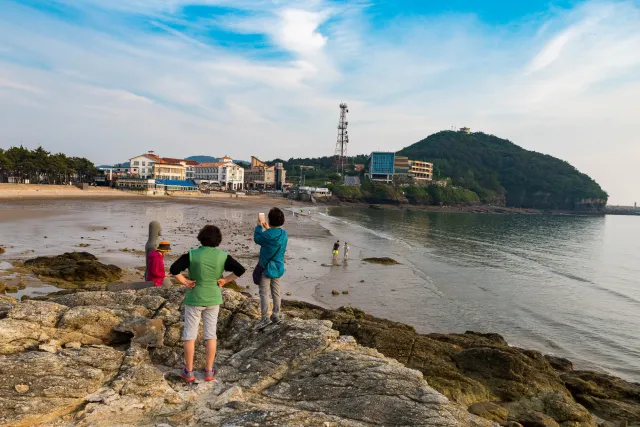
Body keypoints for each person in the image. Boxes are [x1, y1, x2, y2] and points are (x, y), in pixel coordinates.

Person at [170, 225, 246, 383]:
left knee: (190, 336)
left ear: (201, 237)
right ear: (218, 240)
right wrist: (225, 280)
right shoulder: (222, 256)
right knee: (211, 335)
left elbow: (174, 269)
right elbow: (240, 270)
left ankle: (189, 372)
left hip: (195, 298)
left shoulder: (192, 254)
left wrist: (185, 281)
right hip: (213, 298)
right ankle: (209, 371)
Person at [254, 207, 288, 330]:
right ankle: (276, 315)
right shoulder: (284, 234)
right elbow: (274, 239)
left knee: (264, 293)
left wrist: (259, 225)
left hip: (266, 268)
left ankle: (265, 318)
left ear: (269, 220)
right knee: (276, 293)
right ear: (282, 221)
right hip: (278, 268)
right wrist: (268, 228)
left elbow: (257, 238)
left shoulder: (266, 235)